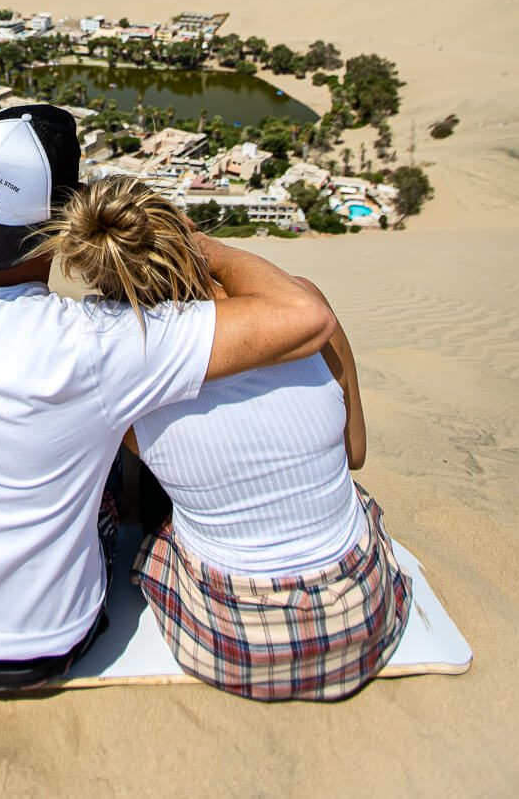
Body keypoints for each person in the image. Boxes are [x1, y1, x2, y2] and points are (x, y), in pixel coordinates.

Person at [0, 104, 335, 691]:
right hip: (54, 643)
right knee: (115, 425)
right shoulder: (102, 343)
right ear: (63, 220)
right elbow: (305, 317)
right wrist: (200, 247)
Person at [42, 174, 412, 701]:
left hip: (237, 646)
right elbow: (355, 455)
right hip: (361, 617)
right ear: (187, 237)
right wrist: (205, 247)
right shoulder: (307, 307)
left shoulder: (125, 380)